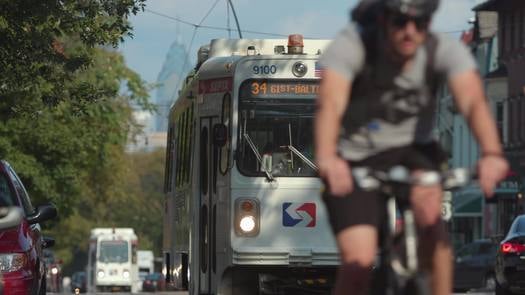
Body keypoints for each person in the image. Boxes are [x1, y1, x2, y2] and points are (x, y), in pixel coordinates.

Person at [314, 0, 509, 295]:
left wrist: (492, 153)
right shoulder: (354, 45)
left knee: (433, 229)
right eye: (399, 22)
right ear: (382, 20)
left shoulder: (441, 49)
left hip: (414, 150)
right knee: (359, 262)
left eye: (419, 24)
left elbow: (472, 101)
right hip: (355, 157)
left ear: (429, 24)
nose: (409, 31)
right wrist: (328, 157)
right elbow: (330, 103)